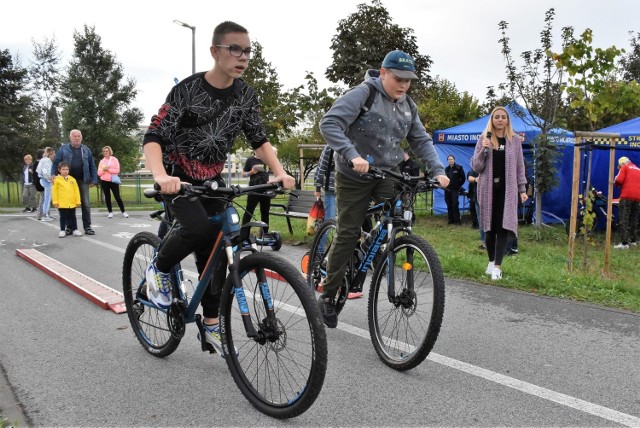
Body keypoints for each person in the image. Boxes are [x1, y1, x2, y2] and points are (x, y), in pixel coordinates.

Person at [142, 21, 295, 356]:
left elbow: (260, 139)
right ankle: (159, 269)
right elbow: (153, 137)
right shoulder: (188, 91)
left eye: (248, 51)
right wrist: (160, 177)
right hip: (177, 176)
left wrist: (281, 172)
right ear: (215, 51)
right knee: (196, 229)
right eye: (234, 49)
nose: (243, 57)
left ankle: (211, 326)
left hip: (212, 181)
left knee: (219, 250)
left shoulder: (245, 95)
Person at [317, 49, 449, 328]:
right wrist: (352, 155)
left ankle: (374, 251)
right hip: (354, 174)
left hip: (387, 172)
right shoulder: (363, 94)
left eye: (409, 80)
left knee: (397, 215)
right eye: (398, 78)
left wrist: (438, 170)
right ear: (384, 72)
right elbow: (329, 123)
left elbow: (421, 140)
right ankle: (328, 295)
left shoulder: (407, 106)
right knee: (348, 231)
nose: (403, 85)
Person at [471, 106, 528, 281]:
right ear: (492, 120)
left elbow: (520, 167)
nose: (500, 120)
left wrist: (522, 189)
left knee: (503, 227)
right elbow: (476, 166)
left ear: (508, 120)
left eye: (503, 117)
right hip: (488, 190)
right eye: (497, 117)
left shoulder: (515, 140)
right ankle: (490, 261)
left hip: (507, 190)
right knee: (489, 228)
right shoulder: (484, 139)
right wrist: (483, 150)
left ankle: (497, 266)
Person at [52, 130, 98, 235]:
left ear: (81, 138)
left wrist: (94, 179)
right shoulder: (63, 149)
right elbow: (56, 163)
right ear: (70, 138)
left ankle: (88, 227)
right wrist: (53, 174)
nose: (77, 138)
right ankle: (69, 227)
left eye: (79, 136)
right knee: (68, 204)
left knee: (85, 203)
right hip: (67, 180)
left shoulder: (86, 150)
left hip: (83, 179)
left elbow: (92, 165)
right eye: (75, 136)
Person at [241, 150, 270, 235]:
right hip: (254, 189)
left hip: (266, 189)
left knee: (265, 212)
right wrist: (251, 172)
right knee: (249, 211)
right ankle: (243, 233)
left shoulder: (267, 159)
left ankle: (265, 233)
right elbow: (243, 174)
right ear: (254, 151)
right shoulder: (250, 160)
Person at [613, 156, 640, 249]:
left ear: (622, 164)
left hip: (626, 197)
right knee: (634, 219)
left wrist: (615, 182)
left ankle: (624, 243)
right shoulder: (638, 169)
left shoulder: (625, 167)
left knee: (624, 219)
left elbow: (619, 180)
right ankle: (633, 241)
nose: (620, 168)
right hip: (637, 198)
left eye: (619, 166)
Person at [52, 162, 83, 237]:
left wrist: (78, 201)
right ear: (59, 170)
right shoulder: (57, 180)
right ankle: (62, 230)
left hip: (72, 202)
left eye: (67, 169)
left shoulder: (72, 179)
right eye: (63, 169)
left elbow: (76, 191)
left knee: (73, 216)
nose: (65, 171)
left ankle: (75, 229)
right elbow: (54, 192)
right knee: (63, 217)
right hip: (62, 203)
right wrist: (55, 201)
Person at [97, 145, 129, 219]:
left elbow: (117, 171)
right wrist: (104, 171)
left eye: (107, 151)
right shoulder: (102, 161)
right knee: (107, 197)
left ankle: (123, 211)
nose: (105, 152)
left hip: (113, 180)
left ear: (110, 151)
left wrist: (109, 170)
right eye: (104, 151)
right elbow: (99, 173)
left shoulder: (114, 160)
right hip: (104, 181)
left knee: (117, 197)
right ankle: (110, 212)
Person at [314, 145, 336, 222]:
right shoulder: (330, 147)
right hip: (332, 188)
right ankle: (325, 233)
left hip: (348, 188)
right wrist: (318, 188)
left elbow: (321, 167)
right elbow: (321, 167)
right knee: (330, 218)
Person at [467, 168, 486, 249]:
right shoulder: (475, 169)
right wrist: (476, 179)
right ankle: (484, 242)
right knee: (481, 219)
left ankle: (493, 241)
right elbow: (469, 178)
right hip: (478, 198)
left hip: (490, 198)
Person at [444, 154, 465, 225]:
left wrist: (458, 186)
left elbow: (463, 179)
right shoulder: (446, 169)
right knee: (449, 204)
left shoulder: (459, 168)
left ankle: (457, 221)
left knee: (455, 204)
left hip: (455, 190)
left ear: (454, 160)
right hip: (447, 189)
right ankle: (450, 220)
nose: (450, 160)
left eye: (451, 159)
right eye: (449, 159)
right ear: (447, 161)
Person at [36, 147, 55, 222]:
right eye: (54, 154)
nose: (54, 155)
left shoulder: (43, 159)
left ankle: (45, 214)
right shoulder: (47, 160)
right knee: (47, 199)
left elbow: (39, 170)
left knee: (47, 198)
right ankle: (45, 215)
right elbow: (45, 171)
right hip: (46, 181)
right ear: (51, 153)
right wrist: (50, 179)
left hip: (43, 179)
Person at [31, 149, 46, 220]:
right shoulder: (39, 163)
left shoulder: (37, 163)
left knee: (45, 198)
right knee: (43, 199)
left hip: (40, 183)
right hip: (41, 183)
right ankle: (40, 214)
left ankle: (45, 214)